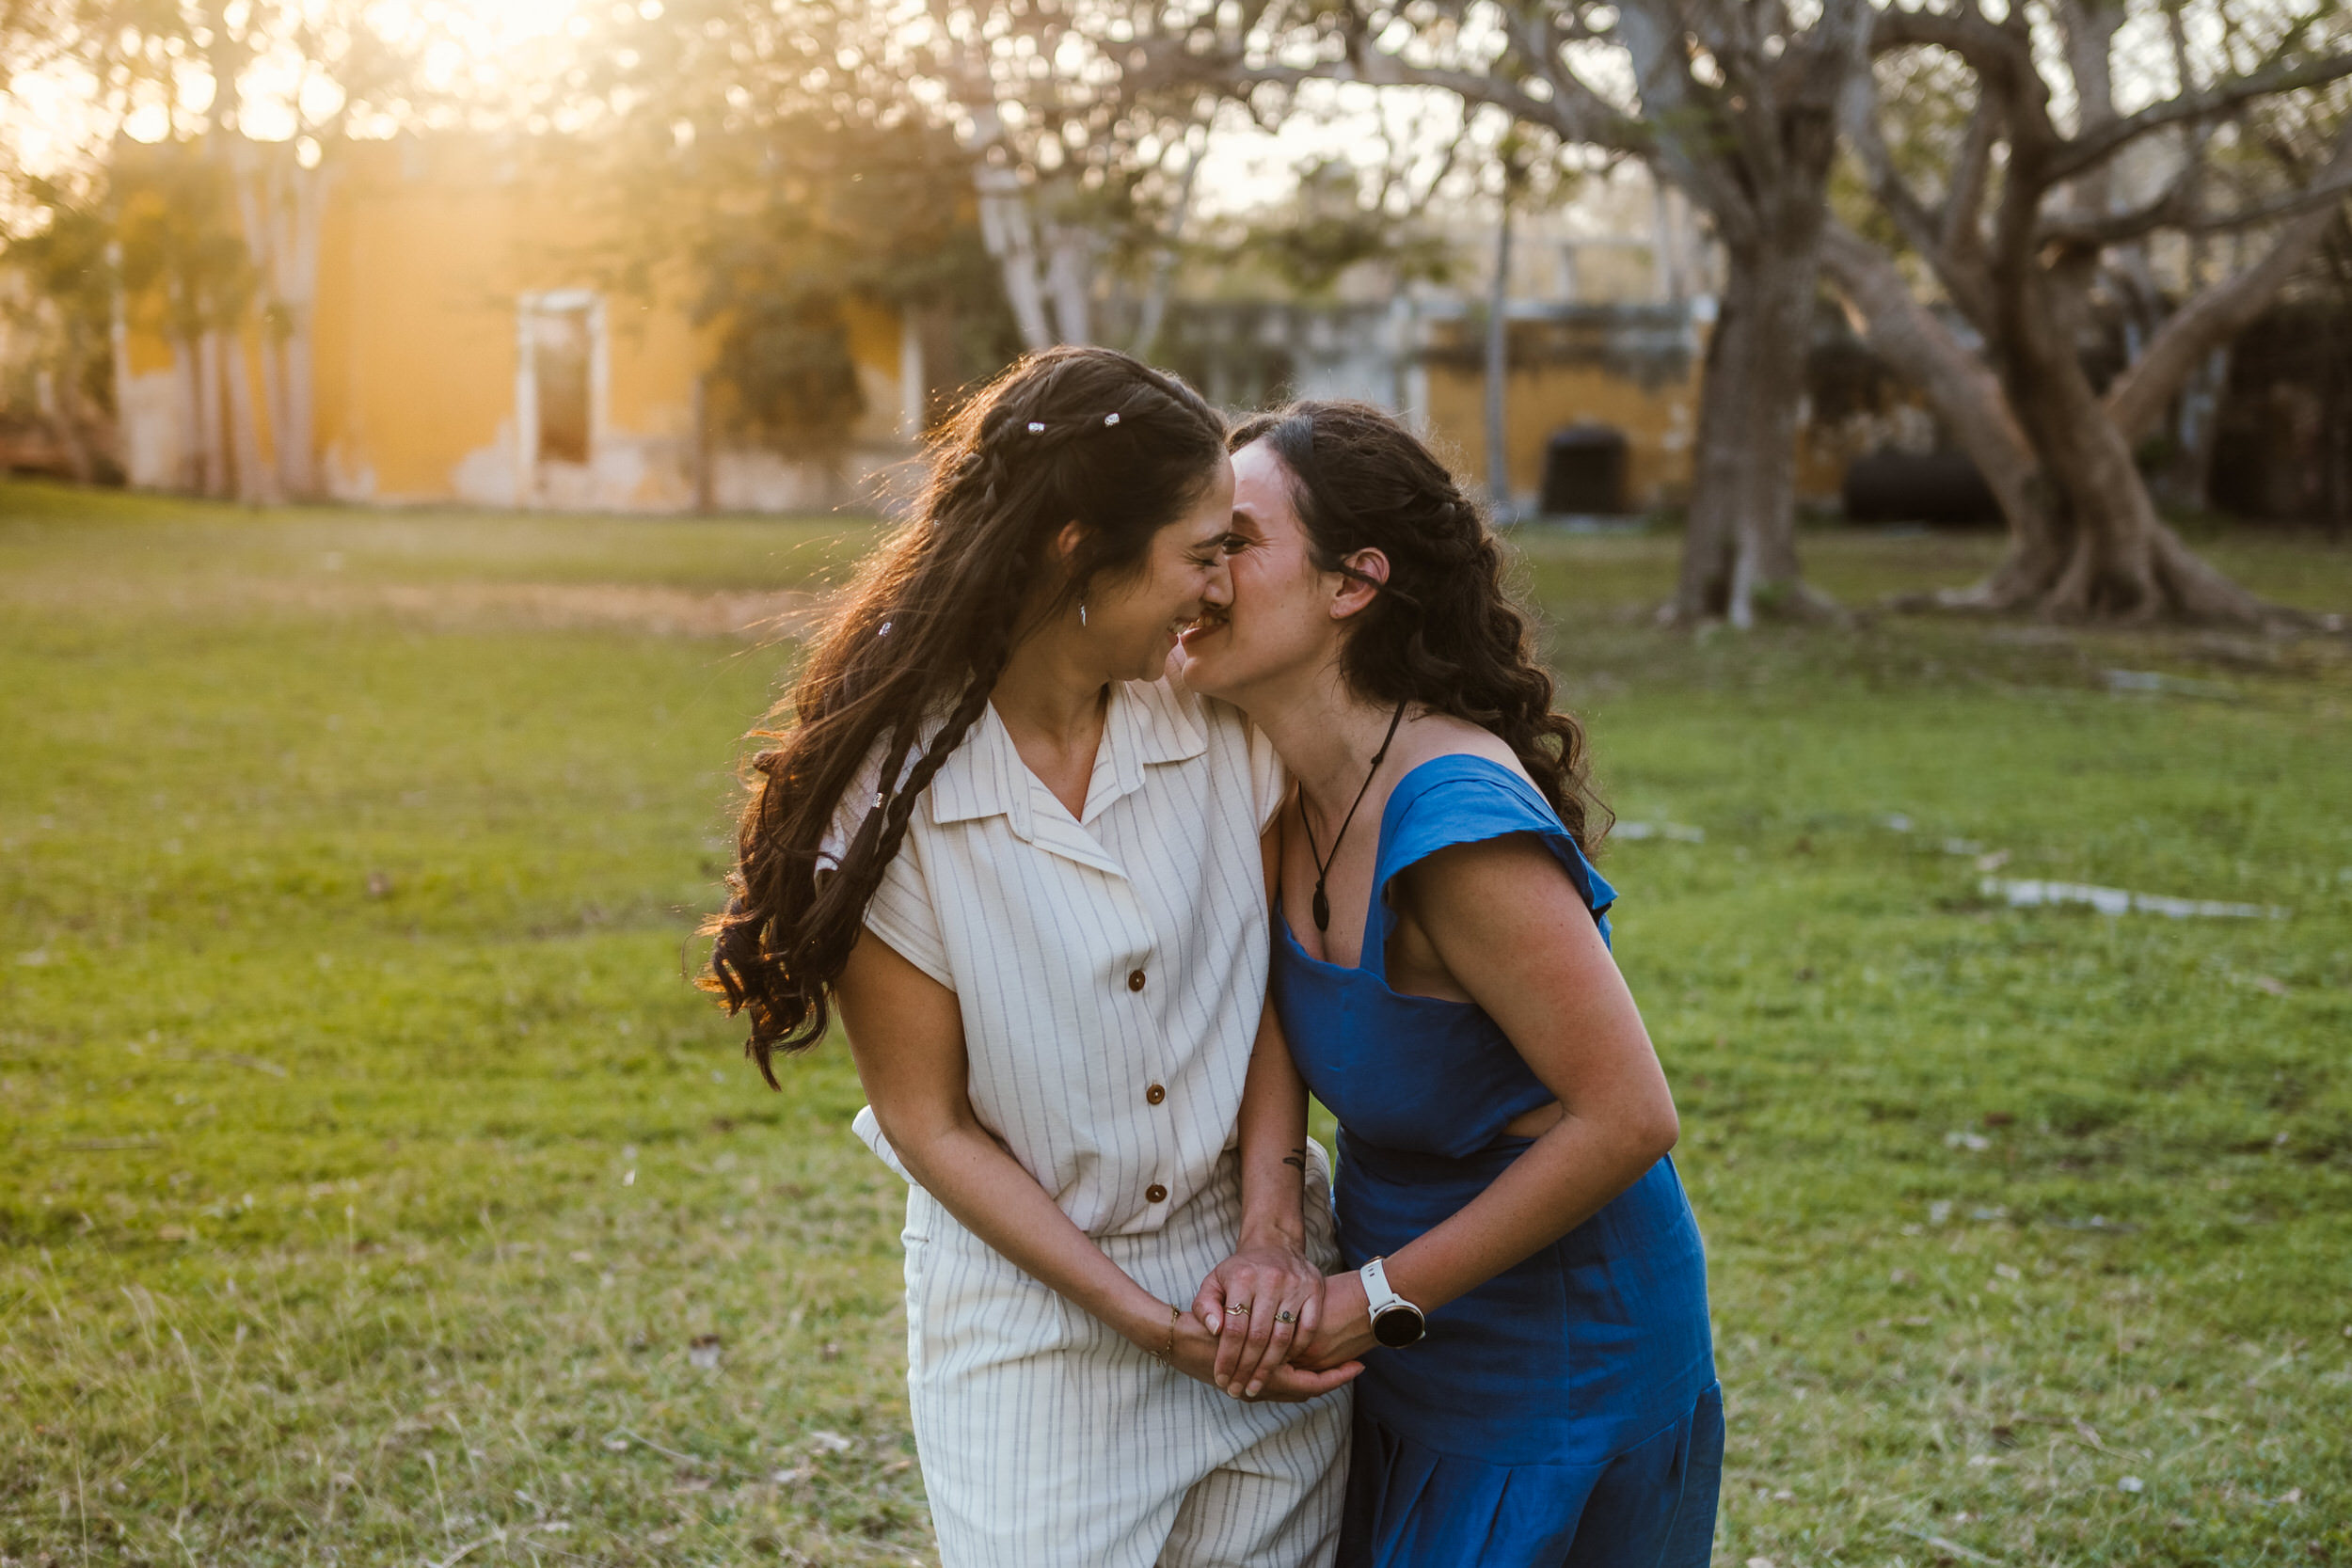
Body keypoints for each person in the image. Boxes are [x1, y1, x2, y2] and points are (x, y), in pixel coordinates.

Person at [699, 348, 1357, 1568]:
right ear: (1075, 550)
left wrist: (1271, 1232)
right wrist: (1148, 1324)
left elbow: (1266, 995)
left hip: (1258, 1299)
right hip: (1036, 1322)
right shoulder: (883, 796)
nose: (1218, 589)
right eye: (1199, 551)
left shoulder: (1216, 717)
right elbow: (929, 1120)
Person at [1177, 399, 1722, 1567]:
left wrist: (1370, 1297)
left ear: (1349, 584)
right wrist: (1273, 1235)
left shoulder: (1454, 824)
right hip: (1400, 1319)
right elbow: (1279, 1009)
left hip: (1562, 1339)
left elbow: (1629, 1115)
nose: (1199, 574)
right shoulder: (1275, 781)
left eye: (1235, 542)